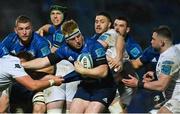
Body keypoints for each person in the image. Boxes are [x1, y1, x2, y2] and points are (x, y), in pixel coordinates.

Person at [22, 19, 116, 113]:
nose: (77, 41)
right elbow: (43, 61)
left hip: (104, 87)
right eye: (72, 39)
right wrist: (22, 65)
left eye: (78, 36)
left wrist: (83, 71)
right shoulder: (65, 49)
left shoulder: (94, 46)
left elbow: (103, 72)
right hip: (86, 87)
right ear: (66, 41)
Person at [122, 25, 180, 113]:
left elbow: (161, 85)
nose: (151, 41)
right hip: (170, 97)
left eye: (153, 39)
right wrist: (155, 74)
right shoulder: (170, 51)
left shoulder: (169, 58)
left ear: (161, 42)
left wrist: (138, 83)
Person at [1, 15, 51, 113]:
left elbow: (50, 69)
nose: (24, 32)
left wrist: (23, 68)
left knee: (39, 107)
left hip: (35, 81)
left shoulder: (40, 43)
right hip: (13, 82)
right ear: (16, 30)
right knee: (3, 103)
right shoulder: (9, 40)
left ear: (32, 29)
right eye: (21, 29)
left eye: (27, 28)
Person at [37, 5, 80, 113]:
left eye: (58, 14)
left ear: (64, 16)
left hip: (68, 71)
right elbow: (48, 27)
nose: (55, 17)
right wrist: (41, 29)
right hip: (64, 71)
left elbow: (51, 54)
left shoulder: (63, 31)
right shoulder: (57, 28)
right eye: (53, 14)